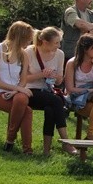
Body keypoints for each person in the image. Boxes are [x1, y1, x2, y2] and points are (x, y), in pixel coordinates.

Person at [0, 21, 34, 153]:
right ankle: (22, 146)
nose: (29, 42)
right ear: (19, 37)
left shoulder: (24, 54)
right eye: (28, 39)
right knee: (26, 111)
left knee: (21, 99)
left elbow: (23, 80)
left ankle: (12, 142)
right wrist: (19, 89)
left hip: (15, 93)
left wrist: (16, 90)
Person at [23, 26, 77, 156]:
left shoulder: (59, 54)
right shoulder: (29, 52)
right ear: (45, 42)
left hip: (48, 91)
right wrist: (41, 75)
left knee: (51, 108)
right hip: (30, 90)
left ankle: (46, 150)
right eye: (56, 43)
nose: (58, 46)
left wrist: (55, 77)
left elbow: (59, 81)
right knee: (56, 101)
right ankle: (66, 141)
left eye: (59, 42)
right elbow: (23, 79)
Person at [64, 34, 93, 157]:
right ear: (85, 49)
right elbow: (70, 89)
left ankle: (91, 135)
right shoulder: (72, 63)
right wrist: (89, 90)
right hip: (77, 98)